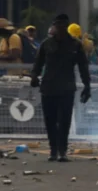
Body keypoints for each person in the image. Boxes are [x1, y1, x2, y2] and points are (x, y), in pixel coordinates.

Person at [29, 15, 91, 162]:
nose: (60, 28)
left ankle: (62, 151)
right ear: (54, 26)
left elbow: (83, 67)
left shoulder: (75, 45)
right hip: (48, 88)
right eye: (58, 25)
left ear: (66, 26)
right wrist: (34, 76)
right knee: (50, 121)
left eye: (63, 26)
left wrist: (87, 86)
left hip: (66, 89)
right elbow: (38, 64)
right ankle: (53, 150)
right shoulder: (46, 44)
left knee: (64, 121)